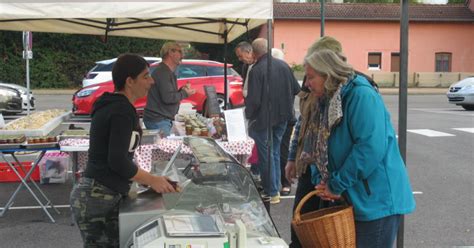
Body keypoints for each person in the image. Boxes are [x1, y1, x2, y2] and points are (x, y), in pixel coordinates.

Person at [305, 49, 416, 247]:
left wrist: (336, 184)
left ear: (328, 74)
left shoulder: (360, 95)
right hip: (355, 197)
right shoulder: (328, 100)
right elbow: (319, 146)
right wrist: (323, 182)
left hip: (376, 201)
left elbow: (370, 148)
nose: (307, 83)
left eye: (311, 77)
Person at [70, 54, 178, 247]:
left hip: (102, 194)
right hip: (97, 197)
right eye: (146, 76)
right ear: (130, 81)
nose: (151, 81)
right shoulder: (120, 110)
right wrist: (152, 180)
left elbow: (122, 157)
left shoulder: (119, 106)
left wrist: (149, 180)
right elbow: (117, 160)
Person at [285, 36, 343, 248]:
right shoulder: (312, 88)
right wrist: (292, 158)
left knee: (323, 233)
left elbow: (366, 146)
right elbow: (303, 123)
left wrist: (336, 182)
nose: (308, 82)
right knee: (300, 226)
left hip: (331, 175)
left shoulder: (344, 92)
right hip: (310, 169)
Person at [245, 38, 300, 204]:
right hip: (283, 117)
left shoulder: (256, 70)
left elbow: (253, 100)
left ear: (254, 53)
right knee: (274, 152)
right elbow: (296, 89)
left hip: (263, 119)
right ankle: (274, 187)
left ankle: (272, 191)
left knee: (266, 155)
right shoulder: (284, 66)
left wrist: (248, 115)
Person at [143, 41, 196, 136]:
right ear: (171, 53)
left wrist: (182, 90)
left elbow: (169, 94)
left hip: (160, 120)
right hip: (158, 120)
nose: (182, 55)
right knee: (164, 150)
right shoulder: (163, 72)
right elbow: (168, 98)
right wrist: (185, 93)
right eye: (179, 51)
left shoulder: (166, 71)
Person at [271, 48, 295, 196]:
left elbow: (294, 92)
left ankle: (285, 183)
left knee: (282, 151)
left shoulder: (285, 72)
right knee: (274, 151)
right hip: (278, 117)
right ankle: (274, 182)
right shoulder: (276, 72)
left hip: (285, 117)